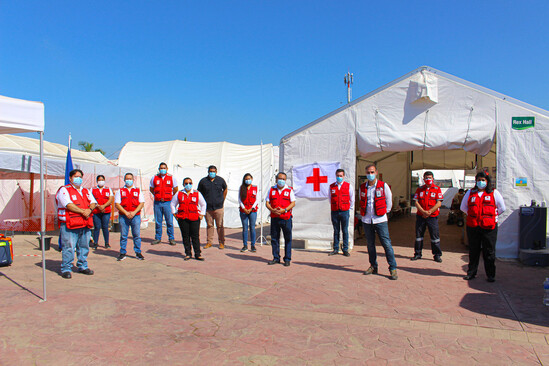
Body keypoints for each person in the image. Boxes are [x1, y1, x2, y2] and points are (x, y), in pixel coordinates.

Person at [460, 171, 505, 282]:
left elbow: (502, 208)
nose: (481, 182)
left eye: (483, 180)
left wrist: (491, 217)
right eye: (479, 180)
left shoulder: (494, 193)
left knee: (489, 251)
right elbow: (463, 207)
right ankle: (471, 273)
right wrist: (473, 215)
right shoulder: (470, 193)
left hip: (489, 227)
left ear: (487, 181)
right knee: (473, 251)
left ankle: (490, 275)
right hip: (474, 226)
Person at [55, 169, 96, 279]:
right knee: (69, 247)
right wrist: (83, 211)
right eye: (76, 176)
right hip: (70, 223)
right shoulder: (64, 190)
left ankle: (83, 266)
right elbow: (68, 204)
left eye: (80, 177)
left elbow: (93, 202)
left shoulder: (86, 191)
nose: (78, 179)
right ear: (70, 178)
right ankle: (66, 268)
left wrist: (89, 210)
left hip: (85, 223)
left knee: (84, 246)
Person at [360, 164, 398, 280]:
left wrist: (383, 212)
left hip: (380, 220)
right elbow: (361, 200)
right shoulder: (363, 187)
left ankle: (393, 268)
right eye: (368, 172)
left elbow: (389, 200)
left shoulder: (383, 185)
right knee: (370, 244)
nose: (370, 175)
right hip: (367, 219)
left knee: (386, 244)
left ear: (376, 172)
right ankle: (373, 266)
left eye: (372, 172)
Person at [171, 177, 206, 261]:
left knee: (195, 237)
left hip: (194, 218)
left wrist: (202, 214)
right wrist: (174, 214)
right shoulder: (179, 193)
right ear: (183, 184)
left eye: (190, 183)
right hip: (183, 218)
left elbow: (203, 204)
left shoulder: (197, 193)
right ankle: (188, 253)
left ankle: (197, 254)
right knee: (185, 237)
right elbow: (172, 204)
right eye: (186, 183)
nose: (188, 185)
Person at [411, 171, 444, 262]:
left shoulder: (437, 189)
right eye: (426, 178)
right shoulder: (420, 189)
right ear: (423, 179)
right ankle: (417, 254)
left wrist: (429, 212)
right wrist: (423, 212)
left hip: (432, 217)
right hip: (420, 216)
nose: (428, 179)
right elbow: (416, 202)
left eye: (429, 178)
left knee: (435, 236)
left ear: (433, 179)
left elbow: (439, 203)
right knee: (419, 236)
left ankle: (437, 255)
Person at [266, 172, 296, 266]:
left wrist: (285, 210)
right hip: (275, 218)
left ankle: (287, 259)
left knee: (288, 239)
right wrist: (272, 209)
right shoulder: (271, 190)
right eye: (280, 179)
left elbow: (293, 203)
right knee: (274, 239)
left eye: (283, 179)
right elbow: (267, 202)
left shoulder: (289, 190)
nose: (281, 181)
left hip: (286, 218)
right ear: (276, 179)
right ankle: (276, 258)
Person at [115, 173, 145, 261]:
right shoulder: (120, 191)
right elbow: (117, 204)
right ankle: (122, 252)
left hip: (135, 216)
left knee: (136, 235)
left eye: (130, 178)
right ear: (124, 180)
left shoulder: (138, 191)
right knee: (124, 235)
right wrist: (126, 213)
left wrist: (134, 212)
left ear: (133, 180)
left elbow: (141, 203)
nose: (129, 180)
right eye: (127, 179)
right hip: (123, 216)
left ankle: (138, 252)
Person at [197, 165, 227, 249]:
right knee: (209, 225)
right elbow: (199, 193)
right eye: (211, 171)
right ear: (208, 172)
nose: (212, 173)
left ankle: (221, 242)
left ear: (216, 172)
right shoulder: (203, 181)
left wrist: (222, 200)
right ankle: (209, 242)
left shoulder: (220, 180)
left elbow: (225, 189)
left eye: (214, 171)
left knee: (220, 225)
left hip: (219, 207)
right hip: (208, 208)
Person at [150, 162, 178, 245]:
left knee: (169, 221)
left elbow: (175, 188)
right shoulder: (154, 178)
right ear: (159, 169)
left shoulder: (171, 178)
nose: (163, 169)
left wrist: (170, 196)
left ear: (167, 169)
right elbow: (151, 188)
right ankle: (158, 238)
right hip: (158, 203)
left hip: (167, 202)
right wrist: (157, 195)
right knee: (158, 221)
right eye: (161, 168)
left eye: (164, 168)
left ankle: (171, 238)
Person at [329, 168, 354, 257]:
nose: (339, 177)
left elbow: (352, 199)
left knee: (345, 230)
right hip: (335, 211)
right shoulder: (332, 186)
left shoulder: (348, 186)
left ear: (343, 176)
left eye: (341, 176)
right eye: (337, 176)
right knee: (336, 230)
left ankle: (345, 249)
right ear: (335, 176)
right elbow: (330, 198)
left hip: (344, 211)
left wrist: (348, 209)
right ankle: (335, 248)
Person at [90, 175, 114, 249]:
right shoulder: (93, 189)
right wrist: (98, 206)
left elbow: (110, 199)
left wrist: (104, 206)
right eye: (99, 180)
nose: (101, 181)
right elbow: (91, 199)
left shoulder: (108, 189)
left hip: (106, 211)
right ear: (97, 181)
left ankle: (106, 243)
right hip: (96, 211)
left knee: (105, 227)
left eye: (102, 180)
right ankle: (95, 243)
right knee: (97, 227)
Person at [239, 173, 259, 252]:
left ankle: (253, 245)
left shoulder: (255, 188)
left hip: (252, 211)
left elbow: (257, 199)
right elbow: (239, 199)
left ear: (252, 179)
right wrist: (244, 208)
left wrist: (251, 208)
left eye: (249, 179)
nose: (248, 180)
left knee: (252, 227)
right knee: (245, 228)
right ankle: (245, 245)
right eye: (246, 179)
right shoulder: (242, 187)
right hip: (243, 211)